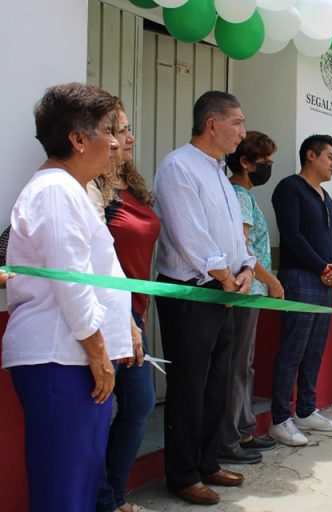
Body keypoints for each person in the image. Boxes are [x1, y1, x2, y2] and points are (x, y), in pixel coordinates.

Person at [3, 83, 133, 512]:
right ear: (77, 139)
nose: (116, 142)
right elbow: (71, 280)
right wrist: (98, 352)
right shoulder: (56, 190)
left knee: (76, 488)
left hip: (73, 359)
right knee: (63, 493)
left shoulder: (69, 190)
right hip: (64, 359)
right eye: (106, 130)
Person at [153, 91, 256, 506]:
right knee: (189, 387)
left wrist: (246, 267)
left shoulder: (217, 171)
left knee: (217, 383)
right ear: (212, 124)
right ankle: (181, 475)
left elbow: (233, 235)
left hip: (224, 291)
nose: (243, 133)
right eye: (237, 123)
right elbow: (189, 233)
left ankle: (207, 462)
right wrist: (224, 274)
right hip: (194, 292)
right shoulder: (179, 166)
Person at [95, 102, 160, 512]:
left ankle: (114, 497)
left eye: (130, 129)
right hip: (103, 317)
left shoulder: (133, 188)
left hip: (133, 314)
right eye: (122, 130)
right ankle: (104, 500)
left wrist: (140, 311)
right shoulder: (89, 191)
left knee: (139, 405)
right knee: (102, 413)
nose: (130, 138)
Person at [269, 134, 332, 445]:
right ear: (310, 156)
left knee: (314, 349)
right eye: (329, 157)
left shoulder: (326, 197)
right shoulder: (290, 188)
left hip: (324, 280)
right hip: (300, 278)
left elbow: (331, 238)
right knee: (293, 350)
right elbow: (292, 235)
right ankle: (279, 418)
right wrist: (322, 267)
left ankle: (306, 410)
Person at [219, 131, 284, 464]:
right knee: (236, 367)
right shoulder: (239, 196)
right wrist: (271, 280)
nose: (268, 167)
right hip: (245, 292)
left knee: (243, 365)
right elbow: (242, 249)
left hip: (251, 294)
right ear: (244, 162)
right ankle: (230, 438)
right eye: (264, 162)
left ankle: (243, 430)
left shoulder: (244, 194)